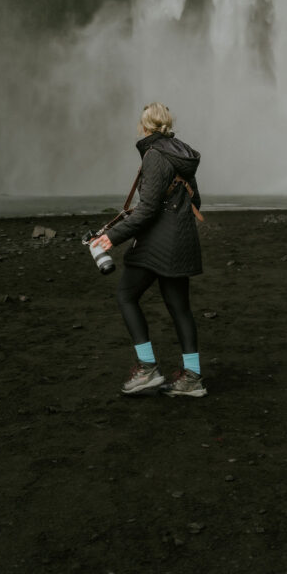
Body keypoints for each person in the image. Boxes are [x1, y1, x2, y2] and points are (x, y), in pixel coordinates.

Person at [90, 102, 207, 398]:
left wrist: (111, 238)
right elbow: (196, 201)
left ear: (145, 127)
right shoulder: (181, 154)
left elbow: (149, 209)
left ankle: (147, 369)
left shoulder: (154, 155)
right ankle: (192, 378)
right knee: (179, 308)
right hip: (181, 242)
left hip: (157, 246)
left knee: (126, 295)